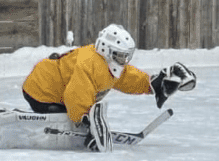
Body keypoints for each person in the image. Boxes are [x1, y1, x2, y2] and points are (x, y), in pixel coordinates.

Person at [21, 24, 195, 151]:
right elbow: (76, 95)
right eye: (121, 56)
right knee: (62, 117)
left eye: (126, 56)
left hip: (53, 87)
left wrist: (153, 84)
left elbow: (127, 78)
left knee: (69, 113)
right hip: (40, 91)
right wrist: (85, 122)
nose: (124, 61)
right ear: (106, 49)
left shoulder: (108, 64)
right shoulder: (89, 64)